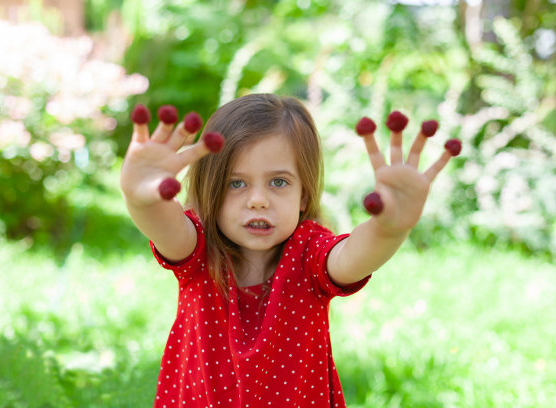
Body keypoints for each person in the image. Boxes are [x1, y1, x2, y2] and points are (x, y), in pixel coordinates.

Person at [119, 93, 457, 407]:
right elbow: (164, 225)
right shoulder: (198, 247)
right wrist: (140, 199)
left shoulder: (310, 252)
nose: (258, 200)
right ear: (210, 189)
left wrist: (389, 228)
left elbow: (353, 259)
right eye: (236, 183)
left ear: (304, 196)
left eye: (278, 182)